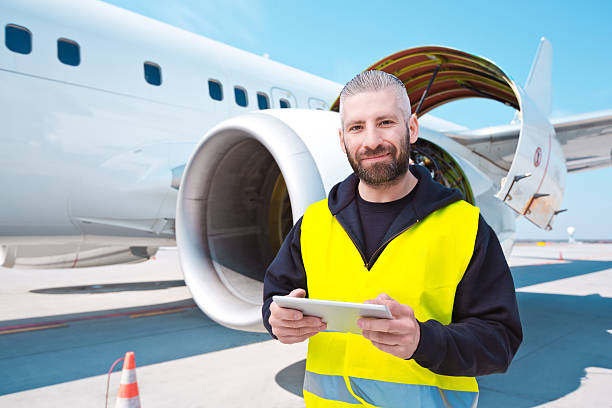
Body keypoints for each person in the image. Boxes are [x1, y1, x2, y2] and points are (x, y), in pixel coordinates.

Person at [262, 70, 522, 407]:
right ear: (343, 140)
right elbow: (275, 301)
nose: (371, 141)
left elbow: (499, 343)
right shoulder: (313, 222)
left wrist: (423, 340)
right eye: (357, 127)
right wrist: (278, 322)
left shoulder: (464, 225)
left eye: (385, 122)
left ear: (411, 129)